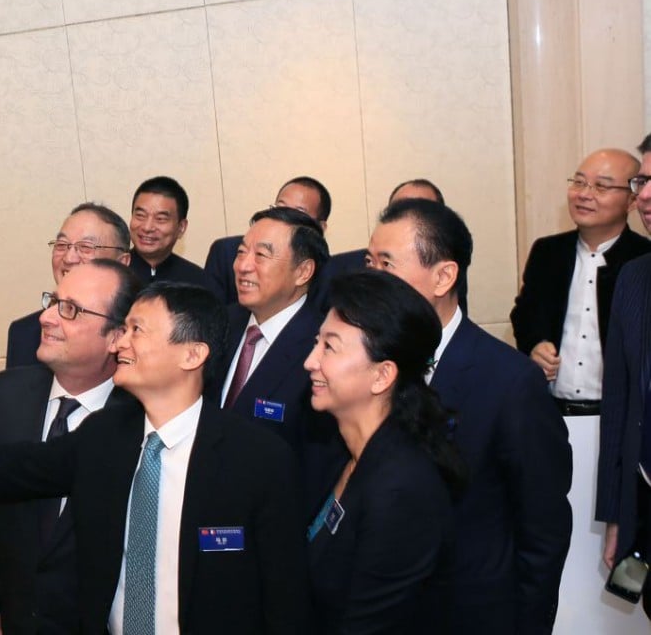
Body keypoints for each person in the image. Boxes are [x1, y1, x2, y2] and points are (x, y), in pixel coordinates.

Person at [0, 282, 309, 634]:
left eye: (137, 330)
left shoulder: (259, 460)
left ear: (192, 355)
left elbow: (285, 601)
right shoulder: (105, 438)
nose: (120, 342)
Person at [366, 200, 572, 634]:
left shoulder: (509, 381)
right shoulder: (363, 366)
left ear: (444, 276)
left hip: (472, 612)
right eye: (370, 262)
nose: (372, 279)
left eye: (387, 264)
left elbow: (543, 528)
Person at [0, 260, 140, 634]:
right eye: (52, 301)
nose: (46, 317)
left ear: (116, 336)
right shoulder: (2, 395)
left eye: (69, 310)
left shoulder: (141, 418)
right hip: (13, 616)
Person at [304, 269, 466, 633]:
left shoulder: (401, 487)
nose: (310, 361)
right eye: (317, 343)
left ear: (382, 375)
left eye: (329, 347)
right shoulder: (344, 454)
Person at [511, 149, 649, 416]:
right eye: (579, 182)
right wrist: (534, 344)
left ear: (632, 199)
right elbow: (524, 313)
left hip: (622, 415)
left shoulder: (643, 260)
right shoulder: (547, 252)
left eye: (601, 186)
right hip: (552, 411)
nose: (584, 194)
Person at [212, 206, 328, 456]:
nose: (242, 266)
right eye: (241, 252)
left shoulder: (324, 345)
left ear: (303, 272)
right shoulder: (220, 322)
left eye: (261, 255)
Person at [596, 133, 651, 616]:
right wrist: (616, 514)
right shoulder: (633, 278)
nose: (644, 195)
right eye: (643, 180)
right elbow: (620, 403)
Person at [314, 178, 468, 314]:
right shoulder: (336, 271)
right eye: (398, 211)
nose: (375, 273)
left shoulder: (446, 270)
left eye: (421, 212)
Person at [5, 203, 130, 369]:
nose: (69, 258)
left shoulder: (142, 333)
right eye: (62, 245)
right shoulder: (25, 333)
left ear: (122, 262)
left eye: (86, 247)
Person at [203, 177, 331, 304]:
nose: (285, 217)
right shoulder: (226, 251)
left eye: (298, 213)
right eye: (280, 208)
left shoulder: (329, 272)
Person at [127, 176, 212, 289]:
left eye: (160, 218)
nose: (147, 227)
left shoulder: (198, 282)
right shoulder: (111, 273)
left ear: (181, 227)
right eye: (140, 216)